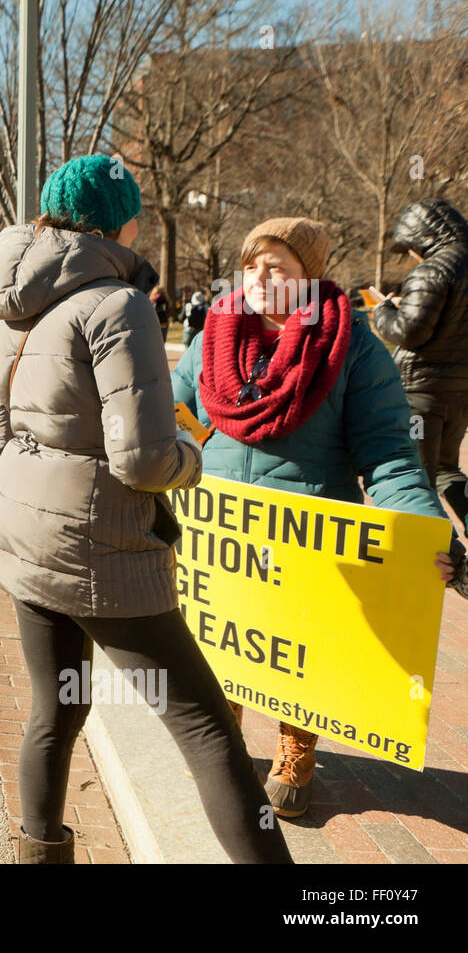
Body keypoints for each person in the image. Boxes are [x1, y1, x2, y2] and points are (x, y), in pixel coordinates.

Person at [0, 154, 291, 864]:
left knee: (55, 707)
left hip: (28, 532)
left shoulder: (15, 303)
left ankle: (39, 854)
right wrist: (190, 455)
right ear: (120, 222)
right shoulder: (117, 305)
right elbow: (144, 460)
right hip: (103, 546)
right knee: (207, 727)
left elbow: (2, 429)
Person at [172, 217, 453, 818]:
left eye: (278, 266)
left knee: (296, 649)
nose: (260, 277)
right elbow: (179, 417)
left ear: (311, 275)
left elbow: (389, 452)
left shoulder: (353, 349)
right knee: (223, 645)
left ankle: (295, 753)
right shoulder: (211, 337)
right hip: (222, 530)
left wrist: (425, 528)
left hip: (308, 533)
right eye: (252, 264)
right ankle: (221, 750)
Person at [371, 199, 468, 597]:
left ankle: (452, 564)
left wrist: (382, 313)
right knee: (446, 467)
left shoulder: (432, 270)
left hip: (422, 390)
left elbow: (410, 332)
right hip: (460, 388)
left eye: (410, 245)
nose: (411, 254)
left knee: (416, 477)